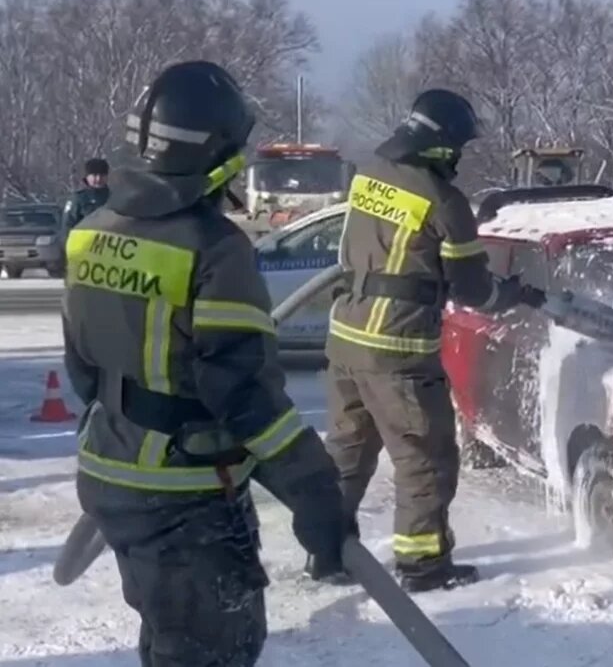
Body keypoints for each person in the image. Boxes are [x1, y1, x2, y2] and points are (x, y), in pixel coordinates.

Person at [61, 60, 350, 667]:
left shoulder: (90, 231)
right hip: (183, 497)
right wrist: (315, 490)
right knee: (213, 649)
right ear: (219, 158)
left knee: (168, 637)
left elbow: (84, 370)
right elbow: (245, 397)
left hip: (109, 475)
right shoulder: (215, 249)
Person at [322, 88, 534, 592]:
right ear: (442, 145)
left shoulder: (368, 175)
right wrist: (509, 294)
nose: (460, 156)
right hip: (397, 349)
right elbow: (472, 289)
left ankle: (326, 552)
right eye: (458, 146)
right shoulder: (445, 202)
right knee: (424, 457)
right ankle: (424, 566)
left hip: (345, 337)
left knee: (347, 454)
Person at [61, 158, 111, 232]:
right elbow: (68, 225)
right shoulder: (78, 199)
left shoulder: (114, 197)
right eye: (94, 175)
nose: (98, 179)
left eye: (102, 175)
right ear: (87, 177)